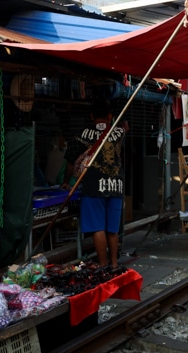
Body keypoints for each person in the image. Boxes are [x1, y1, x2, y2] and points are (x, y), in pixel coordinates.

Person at [62, 99, 128, 269]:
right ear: (110, 116)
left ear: (91, 116)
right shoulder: (119, 132)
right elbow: (122, 137)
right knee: (112, 229)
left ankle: (103, 265)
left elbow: (70, 162)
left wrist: (65, 181)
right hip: (115, 186)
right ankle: (114, 264)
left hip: (93, 186)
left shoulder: (82, 134)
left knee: (98, 228)